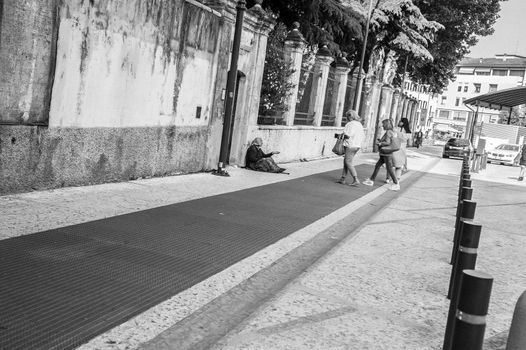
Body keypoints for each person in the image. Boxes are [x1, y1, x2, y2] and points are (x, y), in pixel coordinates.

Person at [363, 119, 400, 191]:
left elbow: (387, 142)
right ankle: (371, 180)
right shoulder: (392, 131)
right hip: (385, 153)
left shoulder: (389, 132)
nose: (382, 125)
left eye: (383, 124)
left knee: (389, 168)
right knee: (378, 165)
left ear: (387, 124)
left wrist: (380, 143)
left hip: (387, 153)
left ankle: (396, 183)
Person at [337, 110, 365, 186]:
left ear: (350, 116)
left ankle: (356, 179)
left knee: (348, 162)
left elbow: (348, 135)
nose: (346, 118)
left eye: (347, 116)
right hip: (357, 145)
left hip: (350, 145)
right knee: (346, 160)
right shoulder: (359, 124)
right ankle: (343, 178)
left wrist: (339, 135)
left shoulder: (350, 124)